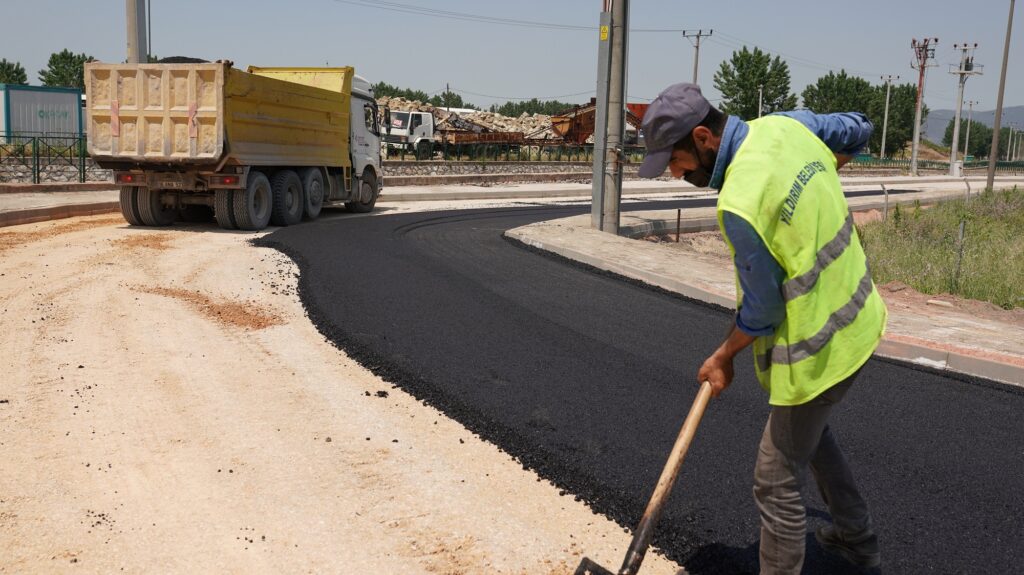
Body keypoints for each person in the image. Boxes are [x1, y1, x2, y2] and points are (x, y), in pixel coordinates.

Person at [636, 83, 887, 574]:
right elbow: (860, 127)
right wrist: (824, 172)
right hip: (861, 317)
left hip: (819, 348)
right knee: (810, 438)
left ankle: (852, 545)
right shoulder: (787, 126)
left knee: (774, 479)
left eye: (676, 160)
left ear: (704, 136)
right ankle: (856, 539)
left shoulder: (740, 203)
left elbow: (763, 311)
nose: (674, 173)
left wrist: (722, 356)